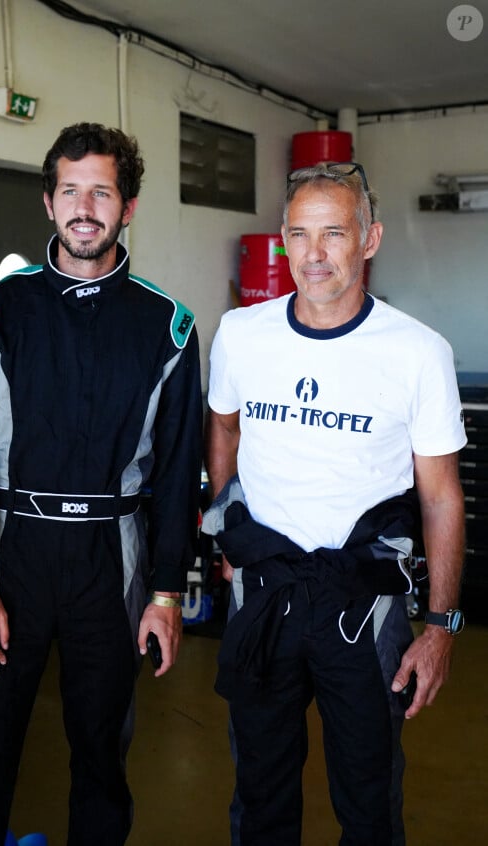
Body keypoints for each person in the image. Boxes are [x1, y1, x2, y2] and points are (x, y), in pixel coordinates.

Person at [0, 122, 202, 846]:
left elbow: (176, 474)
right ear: (48, 203)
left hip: (110, 561)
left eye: (102, 192)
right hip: (8, 559)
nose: (86, 207)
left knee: (101, 760)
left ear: (127, 206)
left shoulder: (168, 327)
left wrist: (168, 593)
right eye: (71, 191)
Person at [204, 162, 466, 846]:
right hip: (266, 598)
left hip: (363, 608)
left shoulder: (417, 353)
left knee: (369, 798)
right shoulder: (241, 333)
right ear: (283, 240)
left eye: (333, 234)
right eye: (298, 234)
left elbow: (440, 497)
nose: (313, 254)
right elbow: (224, 430)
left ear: (370, 239)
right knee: (259, 793)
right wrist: (228, 535)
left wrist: (441, 625)